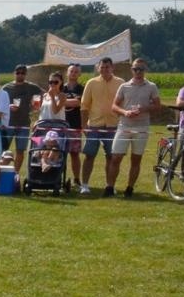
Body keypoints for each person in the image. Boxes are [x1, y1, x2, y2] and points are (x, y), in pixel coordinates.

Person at [110, 57, 160, 198]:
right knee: (116, 157)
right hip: (124, 125)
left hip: (142, 127)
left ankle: (130, 188)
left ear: (145, 70)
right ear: (132, 70)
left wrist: (143, 109)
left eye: (141, 69)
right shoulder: (124, 86)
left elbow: (157, 106)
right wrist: (125, 112)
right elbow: (114, 106)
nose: (138, 72)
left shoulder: (152, 86)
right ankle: (110, 187)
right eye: (135, 69)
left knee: (136, 159)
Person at [78, 56, 121, 195]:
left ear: (112, 67)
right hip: (94, 126)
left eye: (107, 67)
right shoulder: (91, 83)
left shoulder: (121, 83)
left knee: (111, 157)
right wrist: (84, 125)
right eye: (102, 67)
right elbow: (84, 106)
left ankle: (110, 186)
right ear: (98, 68)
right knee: (89, 156)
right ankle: (84, 185)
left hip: (113, 126)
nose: (104, 70)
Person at [2, 65, 43, 168]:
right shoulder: (6, 87)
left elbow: (45, 94)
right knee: (3, 149)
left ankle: (16, 173)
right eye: (18, 73)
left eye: (23, 73)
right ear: (14, 73)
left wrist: (37, 104)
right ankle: (0, 171)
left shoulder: (31, 87)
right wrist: (8, 107)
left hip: (24, 124)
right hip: (8, 124)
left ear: (25, 74)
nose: (20, 75)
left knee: (20, 150)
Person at [61, 63, 85, 193]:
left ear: (79, 74)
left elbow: (78, 102)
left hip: (75, 125)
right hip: (60, 125)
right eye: (71, 71)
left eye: (76, 72)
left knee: (74, 154)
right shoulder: (60, 87)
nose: (73, 73)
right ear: (67, 73)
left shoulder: (82, 89)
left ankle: (76, 179)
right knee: (60, 153)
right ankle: (59, 176)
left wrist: (61, 102)